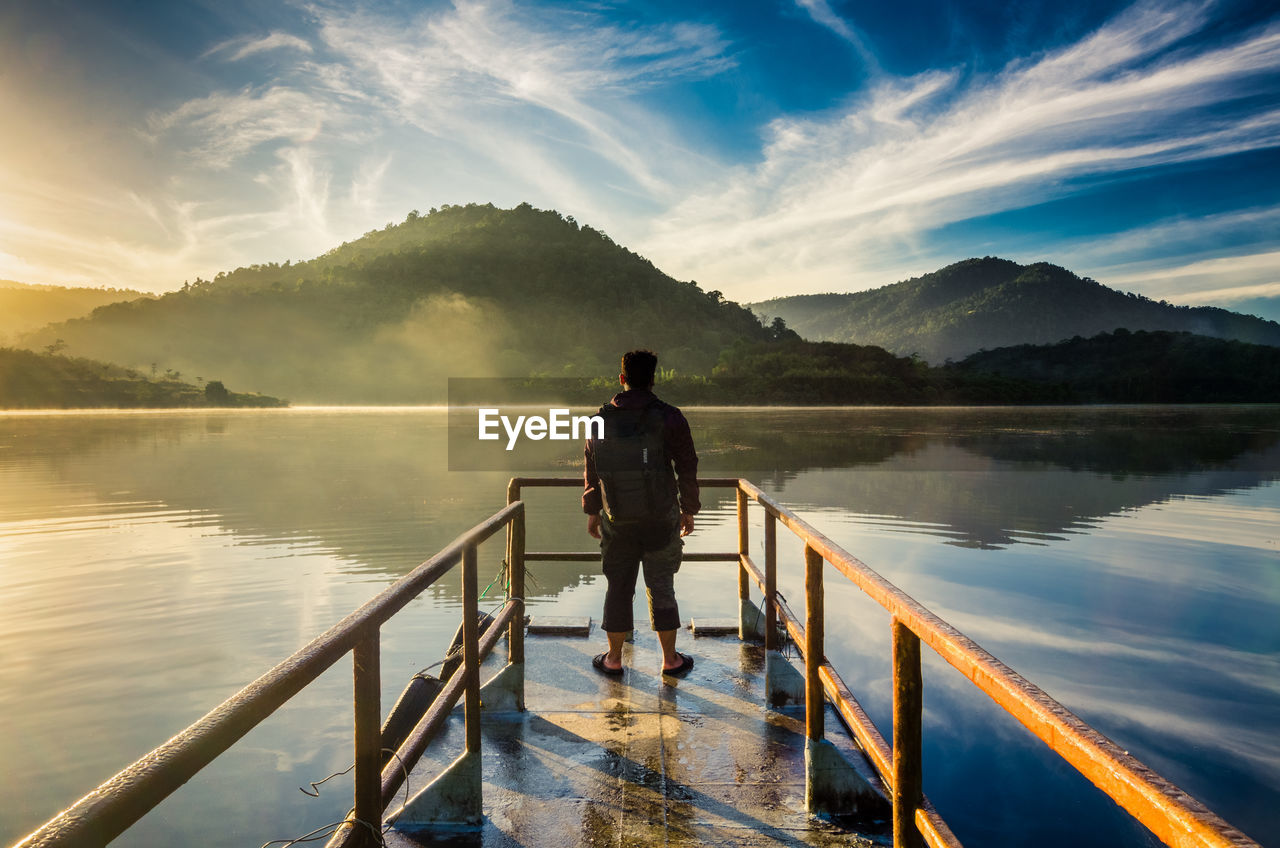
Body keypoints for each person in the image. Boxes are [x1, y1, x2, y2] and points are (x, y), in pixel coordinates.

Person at [583, 349, 700, 676]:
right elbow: (687, 467)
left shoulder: (599, 420)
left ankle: (614, 659)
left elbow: (593, 471)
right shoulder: (671, 416)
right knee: (661, 586)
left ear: (622, 379)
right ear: (653, 379)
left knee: (618, 587)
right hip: (661, 519)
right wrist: (688, 509)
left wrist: (593, 511)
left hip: (616, 520)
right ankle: (670, 661)